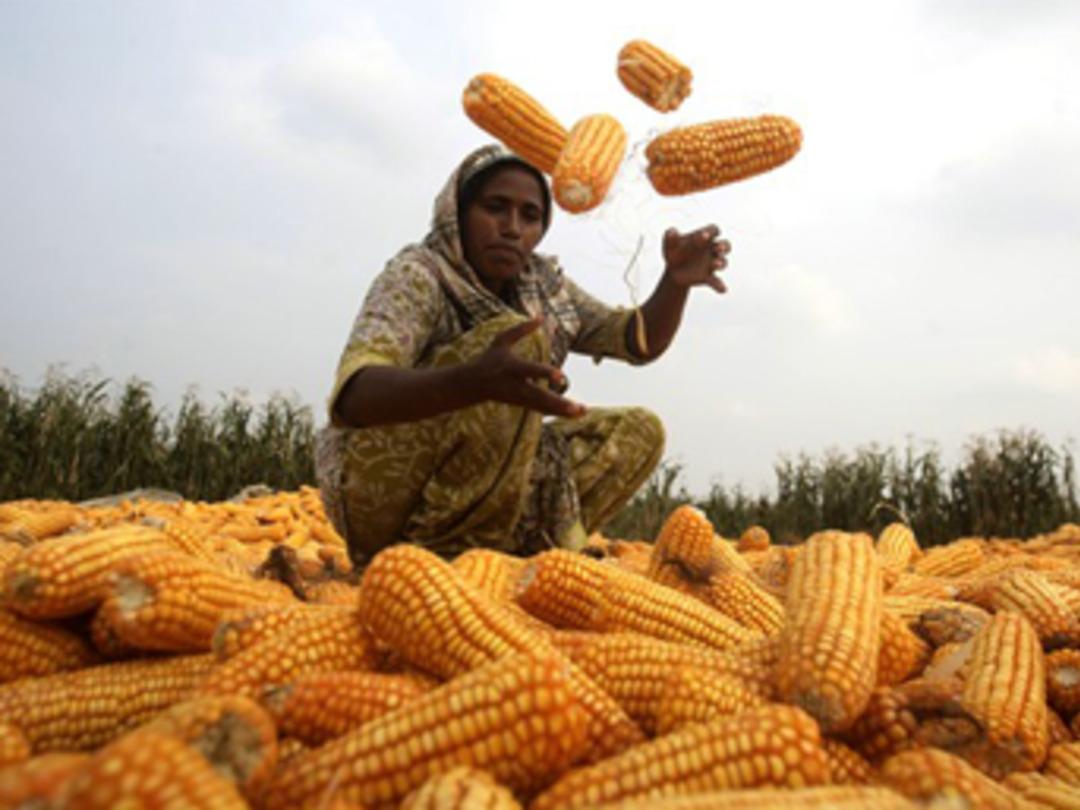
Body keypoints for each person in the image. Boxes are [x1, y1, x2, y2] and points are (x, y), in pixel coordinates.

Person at [315, 144, 730, 567]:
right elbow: (356, 395)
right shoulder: (420, 275)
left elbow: (634, 340)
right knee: (519, 341)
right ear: (456, 214)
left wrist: (675, 283)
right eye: (495, 208)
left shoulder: (542, 286)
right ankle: (443, 557)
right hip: (380, 494)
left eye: (529, 217)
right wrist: (469, 382)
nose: (512, 228)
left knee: (641, 430)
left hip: (482, 494)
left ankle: (510, 552)